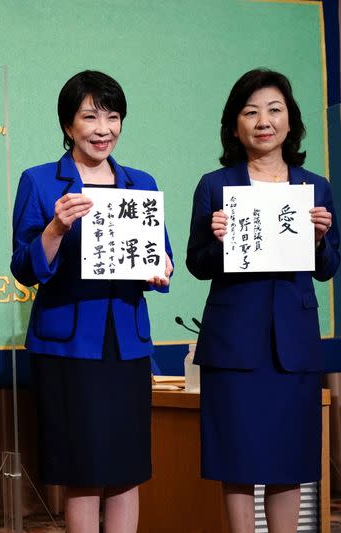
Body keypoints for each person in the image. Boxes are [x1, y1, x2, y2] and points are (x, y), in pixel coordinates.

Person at [11, 70, 172, 533]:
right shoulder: (42, 182)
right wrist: (55, 229)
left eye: (113, 117)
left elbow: (162, 257)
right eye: (90, 117)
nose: (103, 129)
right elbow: (24, 268)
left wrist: (162, 267)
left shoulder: (140, 183)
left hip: (126, 341)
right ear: (68, 125)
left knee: (127, 470)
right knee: (81, 472)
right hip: (67, 344)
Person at [186, 68, 339, 533]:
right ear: (235, 126)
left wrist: (317, 239)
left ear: (291, 122)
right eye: (250, 112)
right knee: (236, 460)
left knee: (288, 460)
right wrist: (217, 241)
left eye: (274, 110)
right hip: (234, 344)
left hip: (292, 345)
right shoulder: (215, 186)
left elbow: (328, 268)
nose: (263, 121)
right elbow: (196, 263)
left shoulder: (314, 187)